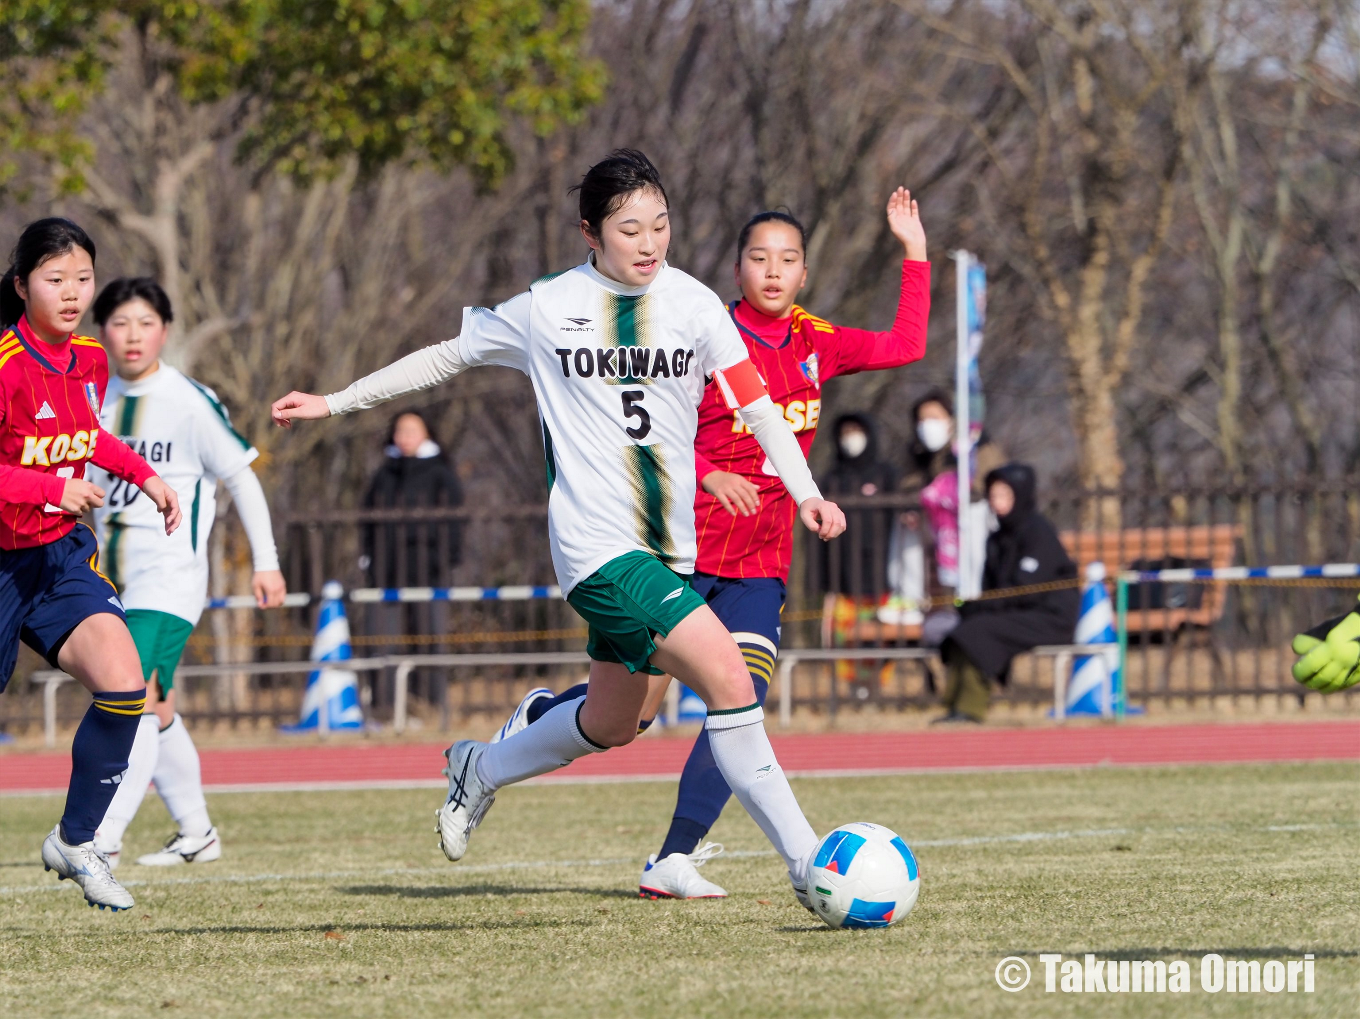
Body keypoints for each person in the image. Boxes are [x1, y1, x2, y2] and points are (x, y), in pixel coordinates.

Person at [271, 149, 848, 908]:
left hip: (667, 550)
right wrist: (335, 401)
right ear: (590, 233)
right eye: (630, 229)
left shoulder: (696, 305)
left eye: (661, 225)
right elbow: (448, 357)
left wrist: (806, 492)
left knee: (615, 723)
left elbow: (759, 408)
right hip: (596, 549)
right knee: (731, 680)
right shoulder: (547, 305)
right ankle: (811, 867)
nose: (649, 243)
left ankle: (481, 766)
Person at [492, 190, 930, 898]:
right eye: (759, 257)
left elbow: (906, 344)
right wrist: (708, 471)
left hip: (760, 565)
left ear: (805, 271)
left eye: (787, 259)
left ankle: (673, 857)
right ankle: (543, 716)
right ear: (737, 269)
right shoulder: (699, 329)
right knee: (630, 716)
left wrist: (914, 251)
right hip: (681, 552)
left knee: (739, 698)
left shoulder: (817, 342)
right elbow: (637, 430)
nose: (773, 271)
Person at [0, 219, 181, 910]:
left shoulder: (90, 358)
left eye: (82, 278)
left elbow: (87, 436)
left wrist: (146, 476)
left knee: (125, 685)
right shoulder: (6, 364)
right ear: (22, 286)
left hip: (57, 556)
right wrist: (50, 487)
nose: (73, 292)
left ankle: (78, 840)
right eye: (55, 279)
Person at [87, 277, 287, 868]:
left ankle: (102, 838)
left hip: (169, 575)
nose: (133, 335)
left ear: (165, 331)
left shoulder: (189, 400)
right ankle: (197, 832)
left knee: (130, 694)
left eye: (145, 323)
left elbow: (241, 476)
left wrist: (266, 562)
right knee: (156, 705)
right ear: (102, 331)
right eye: (120, 323)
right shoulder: (90, 399)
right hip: (108, 577)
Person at [936, 462, 1079, 723]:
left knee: (978, 630)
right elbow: (992, 589)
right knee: (966, 627)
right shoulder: (996, 538)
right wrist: (973, 606)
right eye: (993, 495)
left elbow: (1027, 590)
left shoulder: (1038, 532)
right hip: (1014, 613)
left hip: (1050, 616)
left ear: (1020, 495)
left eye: (1004, 495)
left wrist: (984, 606)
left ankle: (971, 708)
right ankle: (954, 704)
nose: (997, 502)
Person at [362, 410, 462, 587]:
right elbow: (368, 517)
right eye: (400, 431)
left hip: (428, 567)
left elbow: (454, 518)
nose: (405, 437)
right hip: (385, 566)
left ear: (427, 433)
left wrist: (444, 559)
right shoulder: (384, 473)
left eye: (412, 431)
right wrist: (369, 555)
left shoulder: (440, 472)